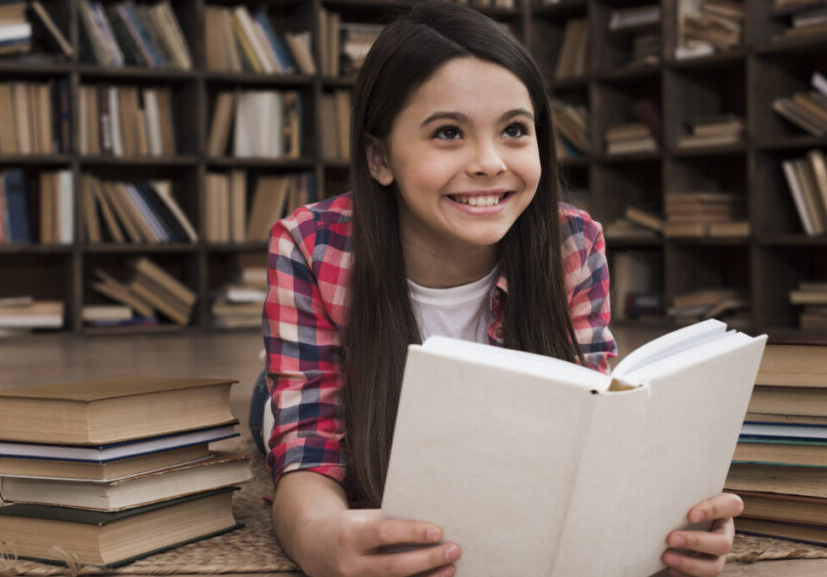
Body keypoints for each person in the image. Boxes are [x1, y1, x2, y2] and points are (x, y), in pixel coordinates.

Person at [250, 3, 743, 576]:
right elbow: (310, 453)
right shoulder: (310, 245)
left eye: (513, 130)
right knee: (281, 428)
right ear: (380, 157)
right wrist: (321, 537)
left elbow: (597, 435)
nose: (489, 163)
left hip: (489, 435)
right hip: (342, 394)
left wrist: (673, 517)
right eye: (448, 133)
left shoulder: (573, 243)